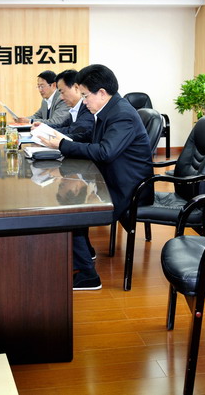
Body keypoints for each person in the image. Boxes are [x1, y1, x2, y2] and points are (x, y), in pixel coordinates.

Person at [40, 64, 152, 290]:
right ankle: (84, 253)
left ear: (101, 92)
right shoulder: (110, 109)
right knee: (70, 202)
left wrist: (62, 145)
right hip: (113, 179)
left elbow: (105, 151)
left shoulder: (122, 115)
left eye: (85, 96)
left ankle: (89, 276)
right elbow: (92, 139)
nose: (83, 102)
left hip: (128, 188)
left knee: (71, 211)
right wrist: (59, 139)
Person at [32, 69, 94, 141]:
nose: (61, 97)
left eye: (62, 92)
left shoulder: (88, 108)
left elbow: (73, 131)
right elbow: (61, 126)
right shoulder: (74, 109)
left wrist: (46, 131)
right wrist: (43, 127)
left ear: (76, 88)